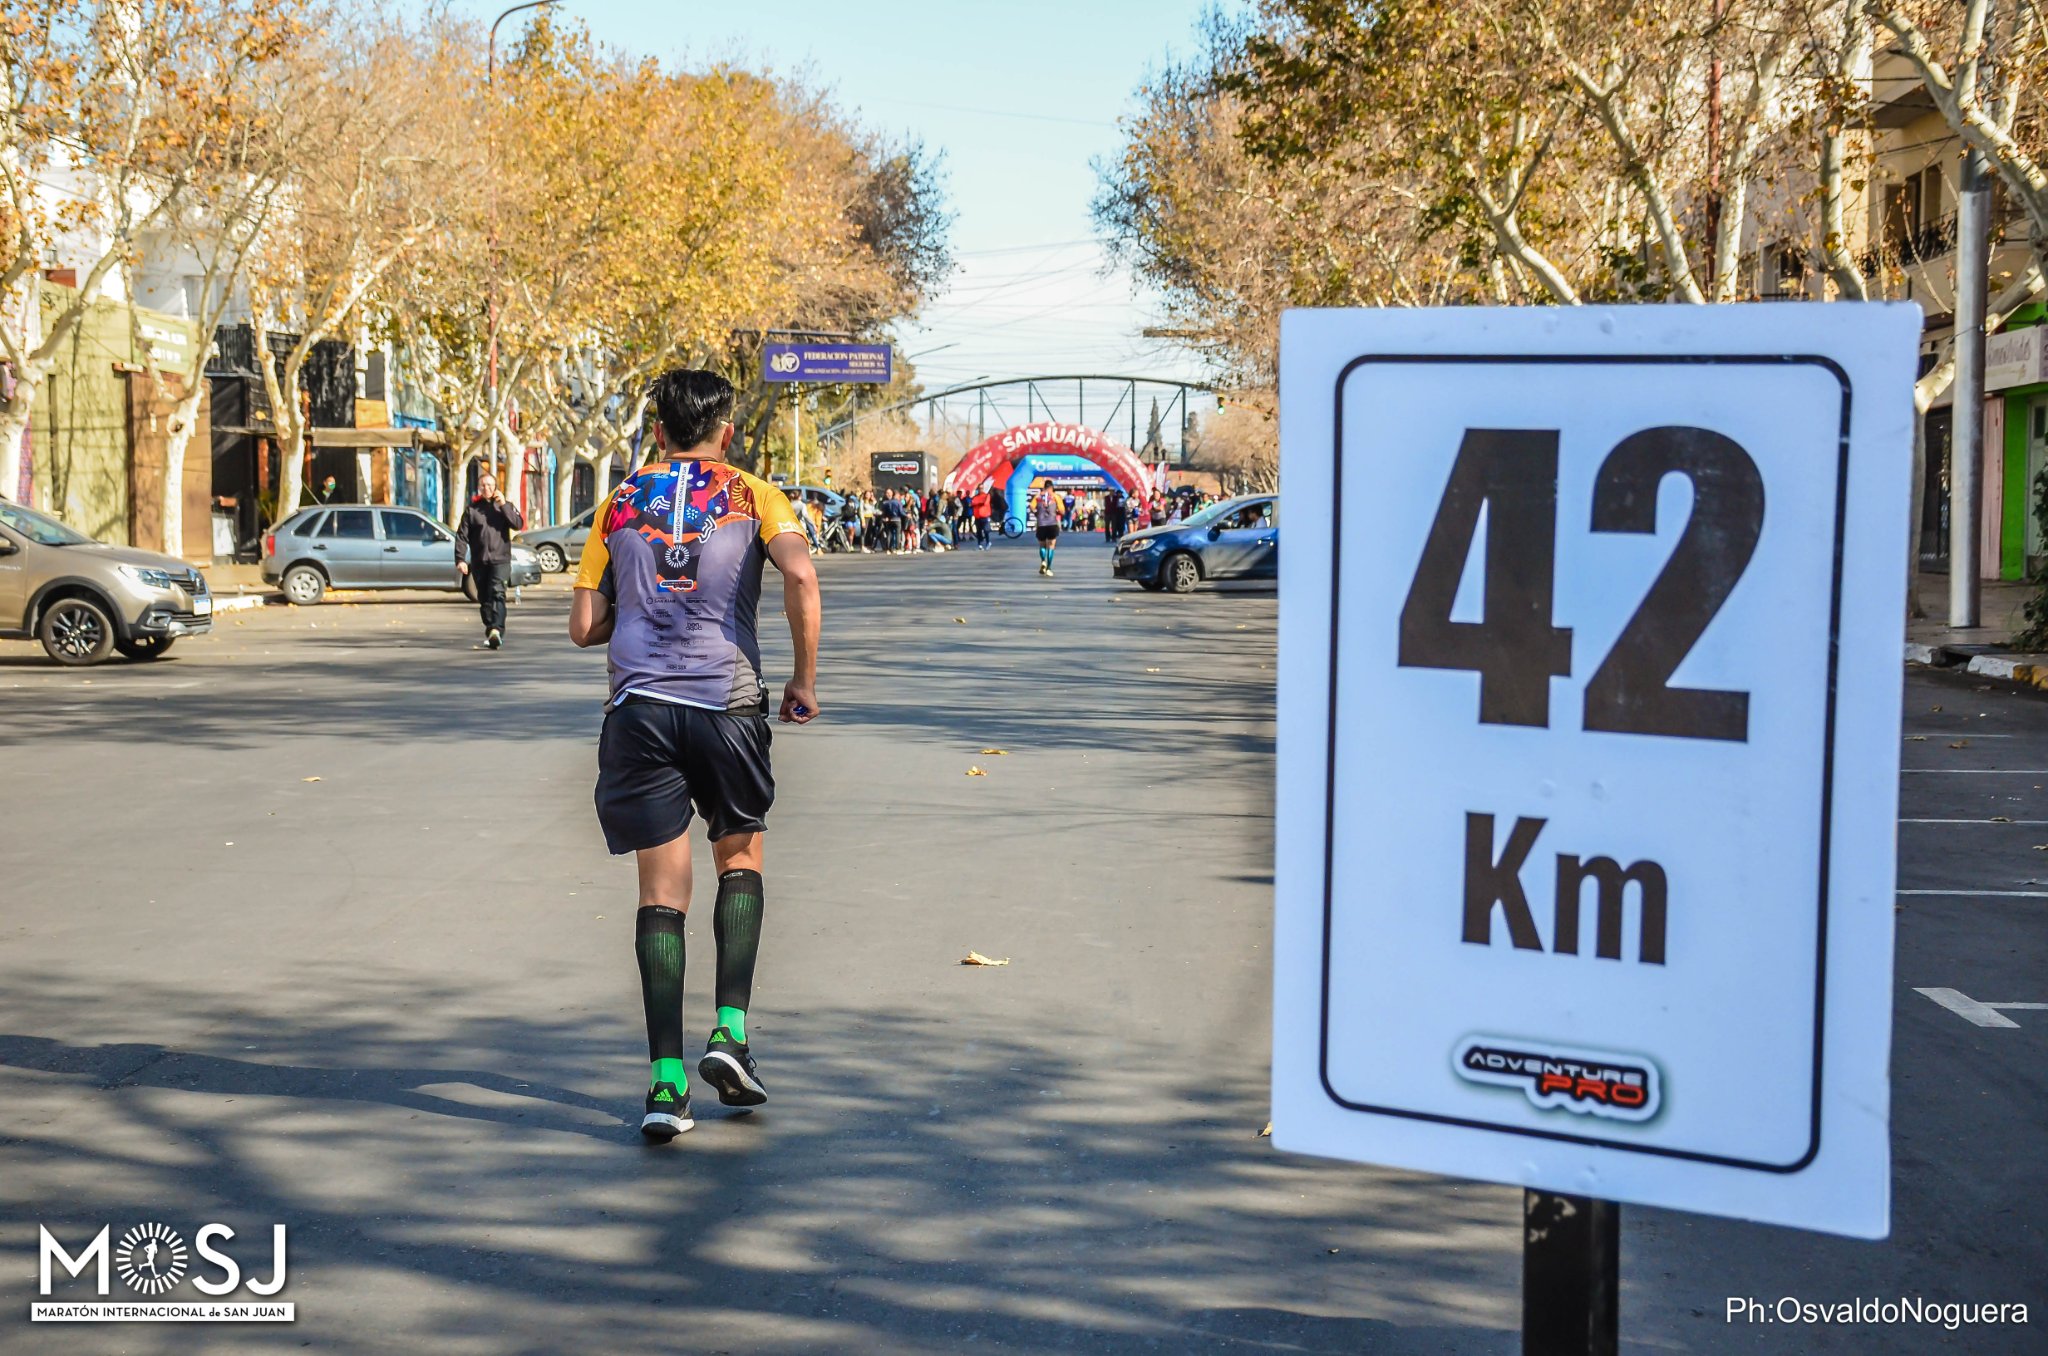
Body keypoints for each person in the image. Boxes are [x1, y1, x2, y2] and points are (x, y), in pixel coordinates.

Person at [568, 368, 822, 1142]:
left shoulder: (618, 502)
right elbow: (802, 578)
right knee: (739, 860)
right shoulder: (756, 495)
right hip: (727, 704)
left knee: (661, 893)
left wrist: (639, 607)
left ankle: (664, 1084)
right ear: (727, 431)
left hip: (640, 712)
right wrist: (803, 680)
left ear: (656, 429)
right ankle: (731, 1034)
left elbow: (584, 626)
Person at [456, 472, 524, 649]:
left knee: (497, 593)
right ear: (479, 488)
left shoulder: (504, 506)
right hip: (480, 561)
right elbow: (461, 536)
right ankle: (490, 629)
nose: (486, 488)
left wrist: (503, 506)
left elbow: (518, 524)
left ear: (496, 487)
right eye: (483, 486)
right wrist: (460, 559)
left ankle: (497, 629)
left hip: (500, 560)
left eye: (490, 485)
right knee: (484, 598)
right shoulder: (472, 510)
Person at [1033, 486, 1061, 576]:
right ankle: (1049, 568)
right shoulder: (1055, 496)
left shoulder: (1038, 496)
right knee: (1051, 545)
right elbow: (1062, 510)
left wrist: (1036, 513)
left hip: (1041, 524)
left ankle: (1043, 561)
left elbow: (1031, 506)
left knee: (1042, 545)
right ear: (1052, 488)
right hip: (1052, 523)